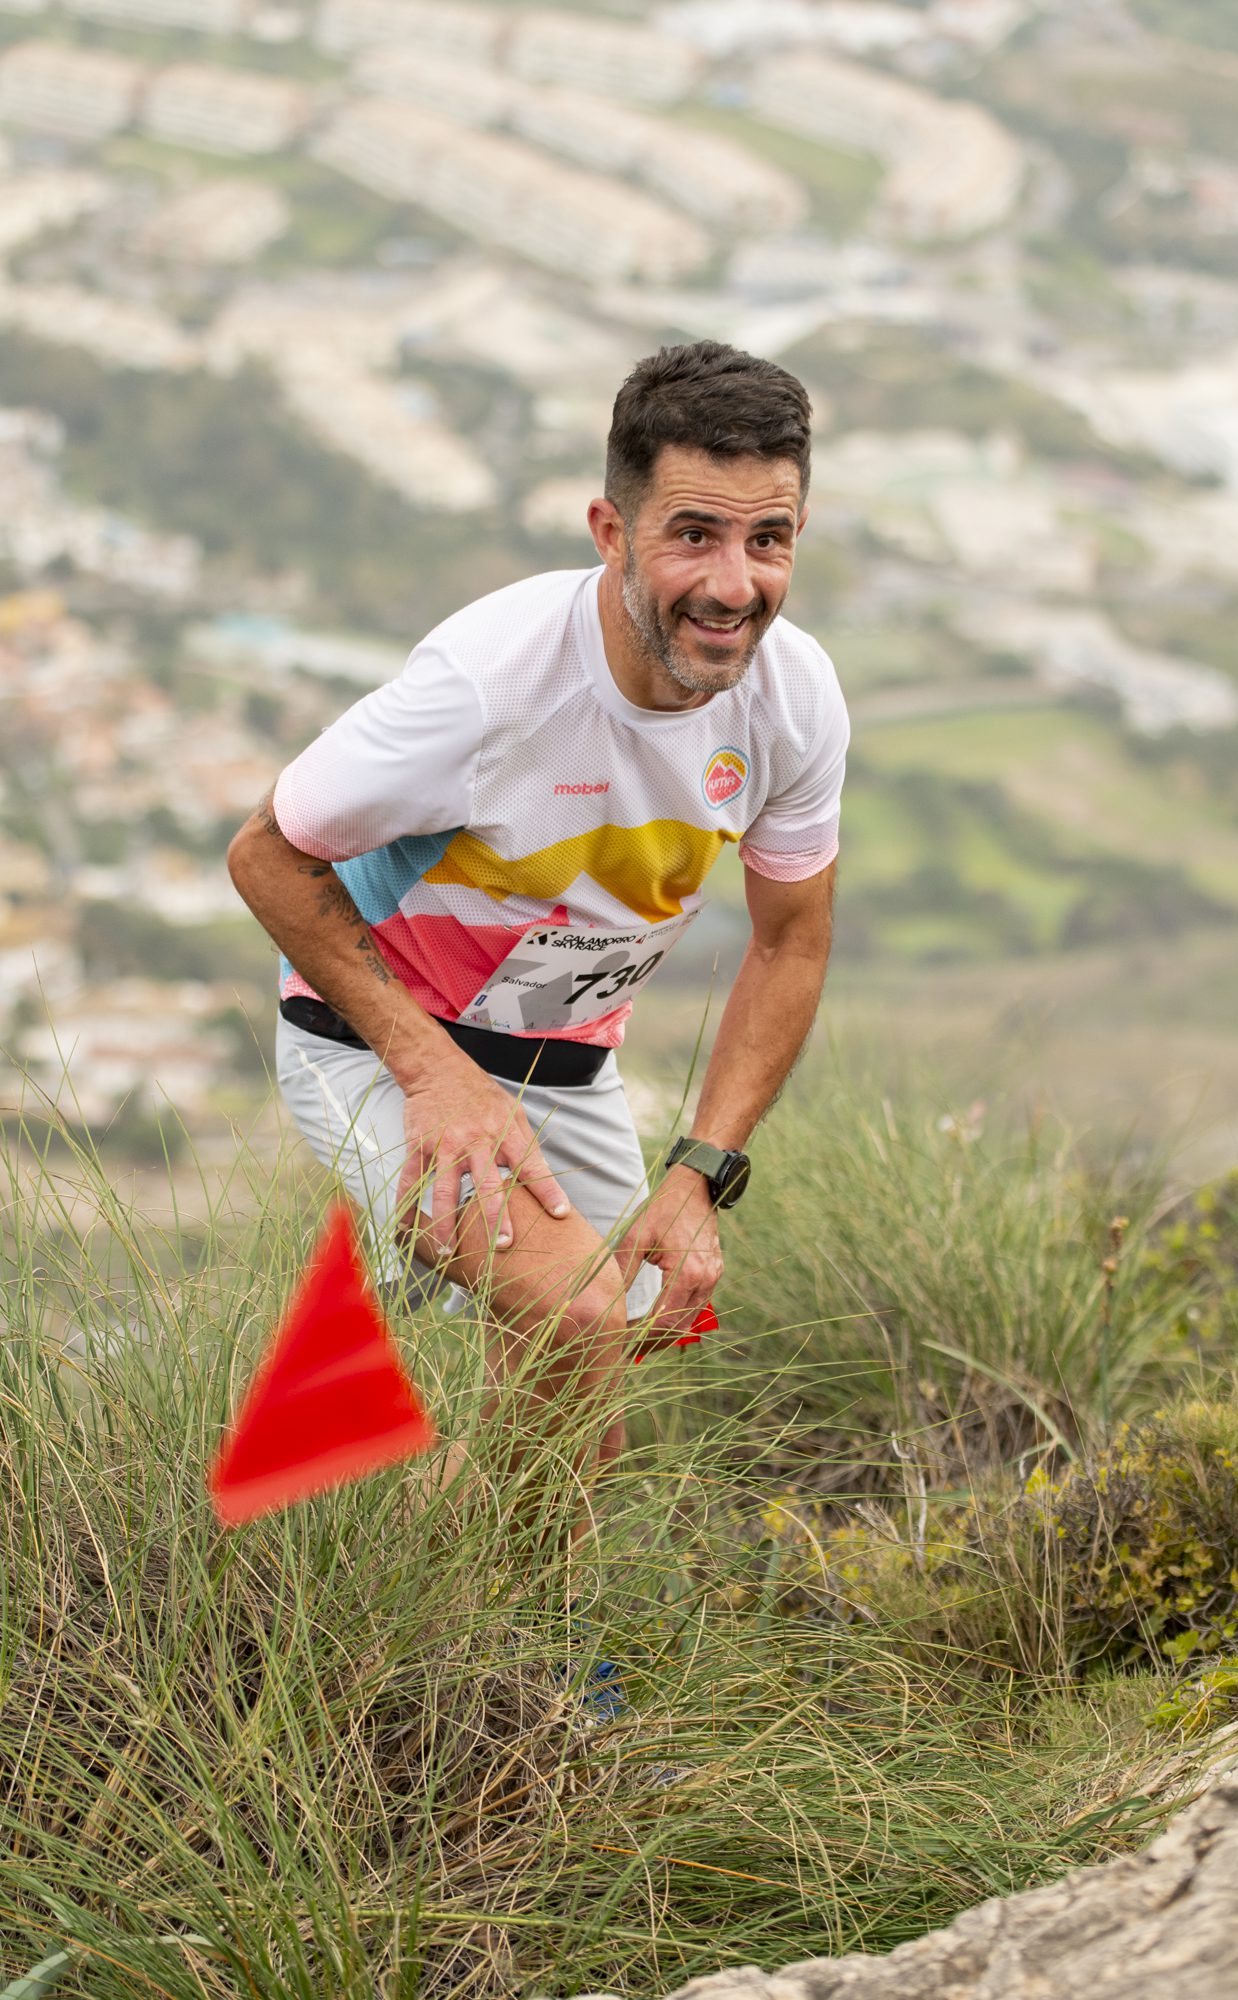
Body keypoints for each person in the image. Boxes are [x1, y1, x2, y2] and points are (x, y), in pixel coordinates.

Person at [228, 338, 849, 1508]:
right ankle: (493, 1608)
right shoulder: (491, 683)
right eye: (693, 534)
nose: (733, 585)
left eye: (767, 540)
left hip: (565, 1063)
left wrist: (700, 1171)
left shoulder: (795, 696)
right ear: (611, 532)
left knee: (607, 1359)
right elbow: (265, 851)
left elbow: (790, 941)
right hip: (373, 1043)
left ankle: (454, 1565)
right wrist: (433, 1072)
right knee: (574, 1312)